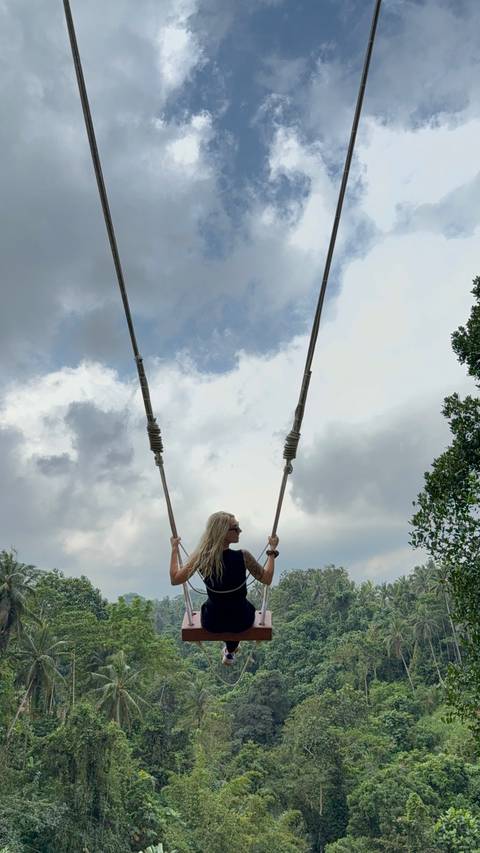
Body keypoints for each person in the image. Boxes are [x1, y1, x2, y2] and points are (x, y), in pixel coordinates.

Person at [170, 511, 279, 665]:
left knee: (222, 610)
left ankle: (229, 652)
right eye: (235, 528)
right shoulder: (243, 556)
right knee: (237, 613)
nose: (240, 531)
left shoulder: (201, 558)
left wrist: (174, 549)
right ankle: (230, 650)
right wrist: (272, 551)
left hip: (212, 621)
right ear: (222, 532)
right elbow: (267, 579)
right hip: (242, 620)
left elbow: (175, 579)